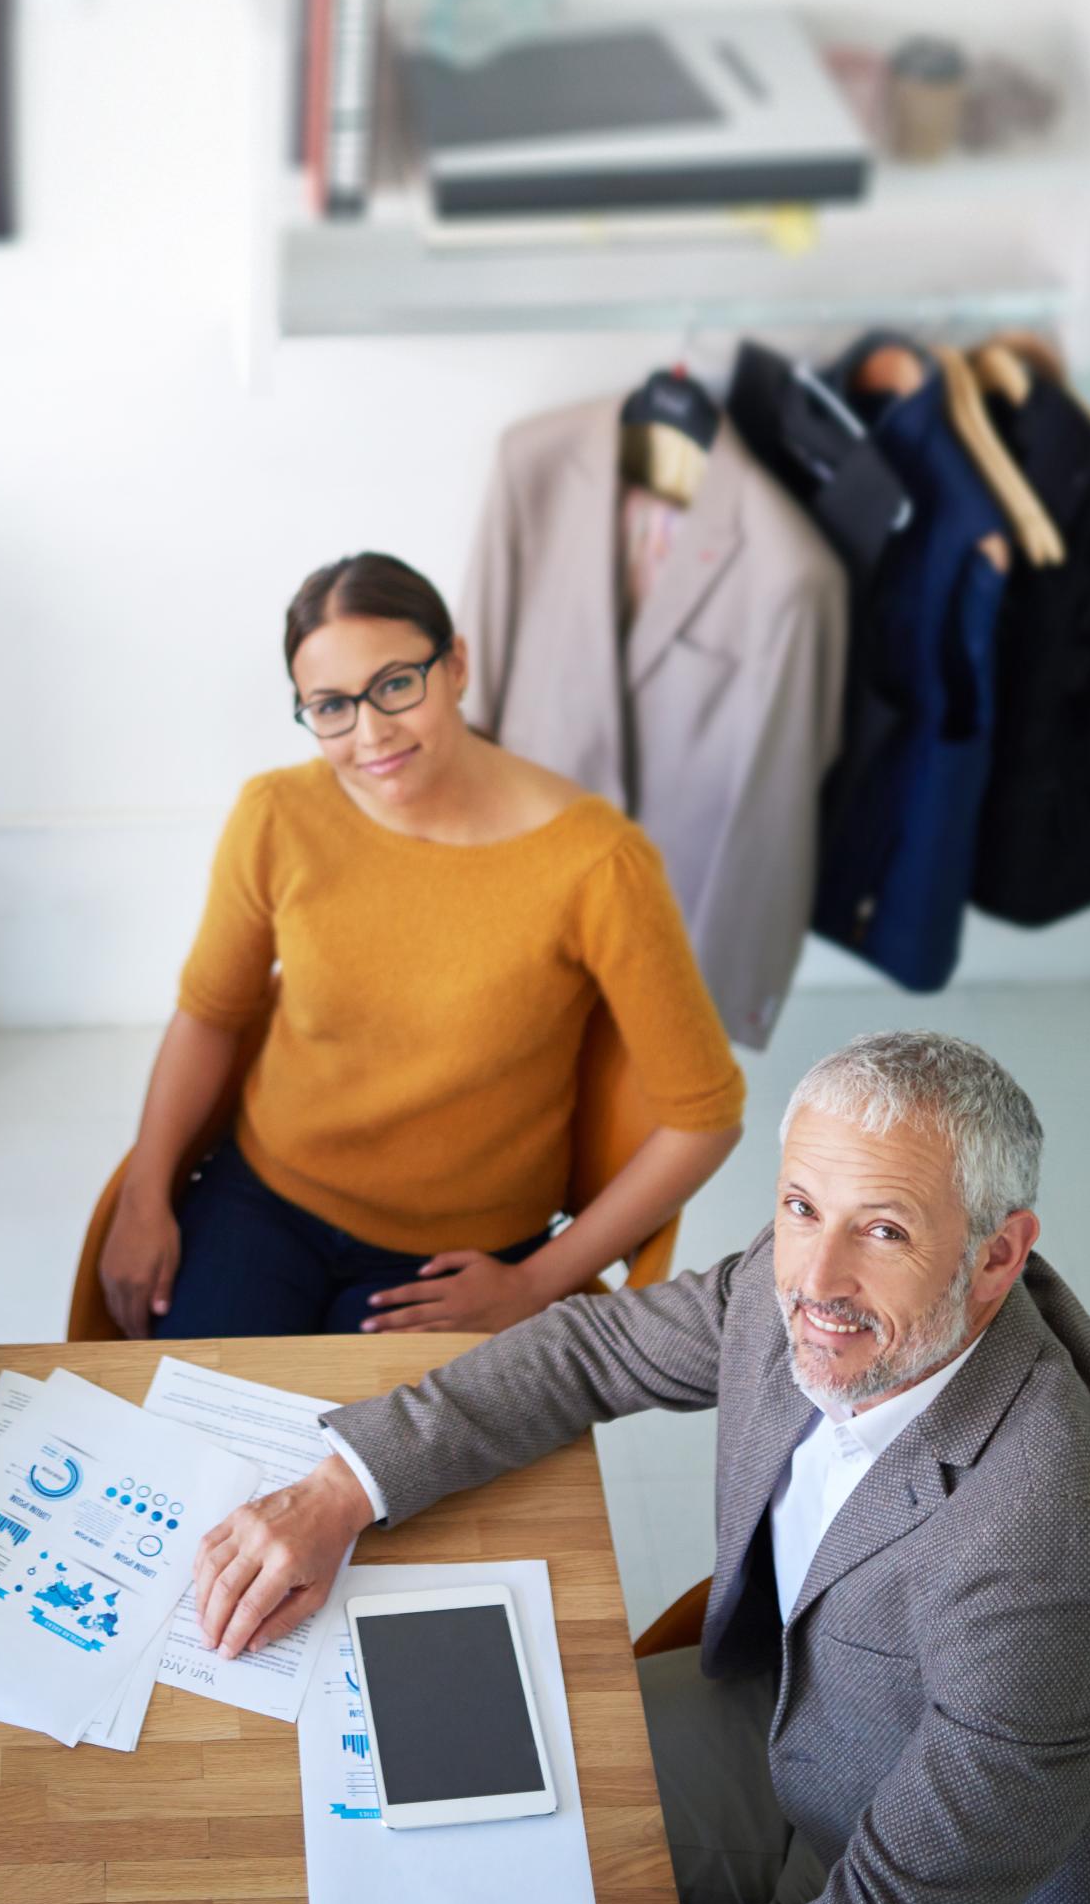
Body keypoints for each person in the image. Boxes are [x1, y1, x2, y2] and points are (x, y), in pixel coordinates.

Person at [193, 1031, 1090, 1904]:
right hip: (792, 1730)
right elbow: (591, 1347)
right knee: (429, 1793)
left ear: (995, 1256)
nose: (814, 1281)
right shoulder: (807, 1285)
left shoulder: (1054, 1550)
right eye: (799, 1206)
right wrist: (341, 1487)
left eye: (883, 1230)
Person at [98, 551, 745, 1340]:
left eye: (396, 684)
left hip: (454, 1257)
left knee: (371, 1461)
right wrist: (144, 1193)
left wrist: (536, 1280)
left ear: (456, 665)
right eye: (331, 706)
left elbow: (704, 1118)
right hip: (260, 1199)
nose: (370, 733)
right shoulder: (276, 813)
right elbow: (210, 1015)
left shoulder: (596, 862)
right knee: (192, 1444)